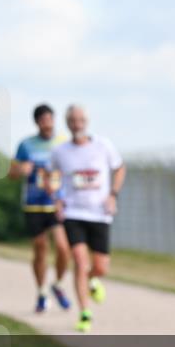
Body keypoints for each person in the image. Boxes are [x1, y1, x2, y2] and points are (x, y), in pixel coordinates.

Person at [48, 104, 126, 333]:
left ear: (87, 122)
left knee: (101, 267)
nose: (77, 125)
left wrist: (113, 195)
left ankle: (93, 280)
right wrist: (56, 198)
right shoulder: (60, 151)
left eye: (81, 120)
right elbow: (50, 176)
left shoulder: (103, 145)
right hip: (73, 213)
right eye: (72, 121)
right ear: (67, 123)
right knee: (80, 263)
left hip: (100, 213)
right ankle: (84, 313)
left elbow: (120, 168)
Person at [9, 104, 72, 313]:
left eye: (50, 119)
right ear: (37, 122)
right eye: (43, 120)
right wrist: (20, 169)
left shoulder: (63, 142)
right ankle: (42, 292)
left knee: (63, 248)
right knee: (40, 248)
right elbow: (11, 173)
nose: (47, 123)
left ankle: (58, 284)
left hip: (56, 204)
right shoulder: (26, 145)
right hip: (34, 204)